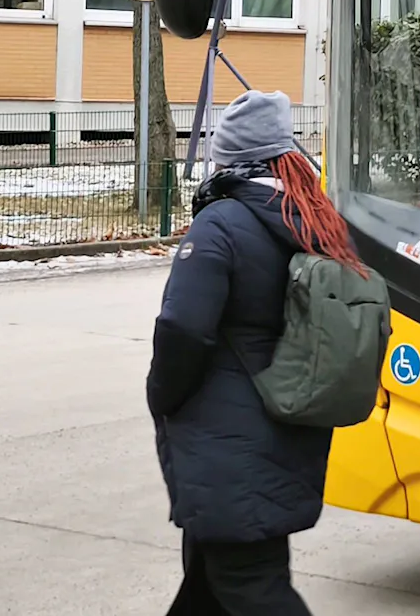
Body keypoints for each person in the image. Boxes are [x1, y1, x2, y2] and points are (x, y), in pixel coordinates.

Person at [148, 91, 365, 616]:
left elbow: (183, 329)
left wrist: (162, 397)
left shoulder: (221, 224)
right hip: (286, 430)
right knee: (213, 578)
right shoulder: (314, 221)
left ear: (232, 160)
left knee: (251, 585)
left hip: (228, 448)